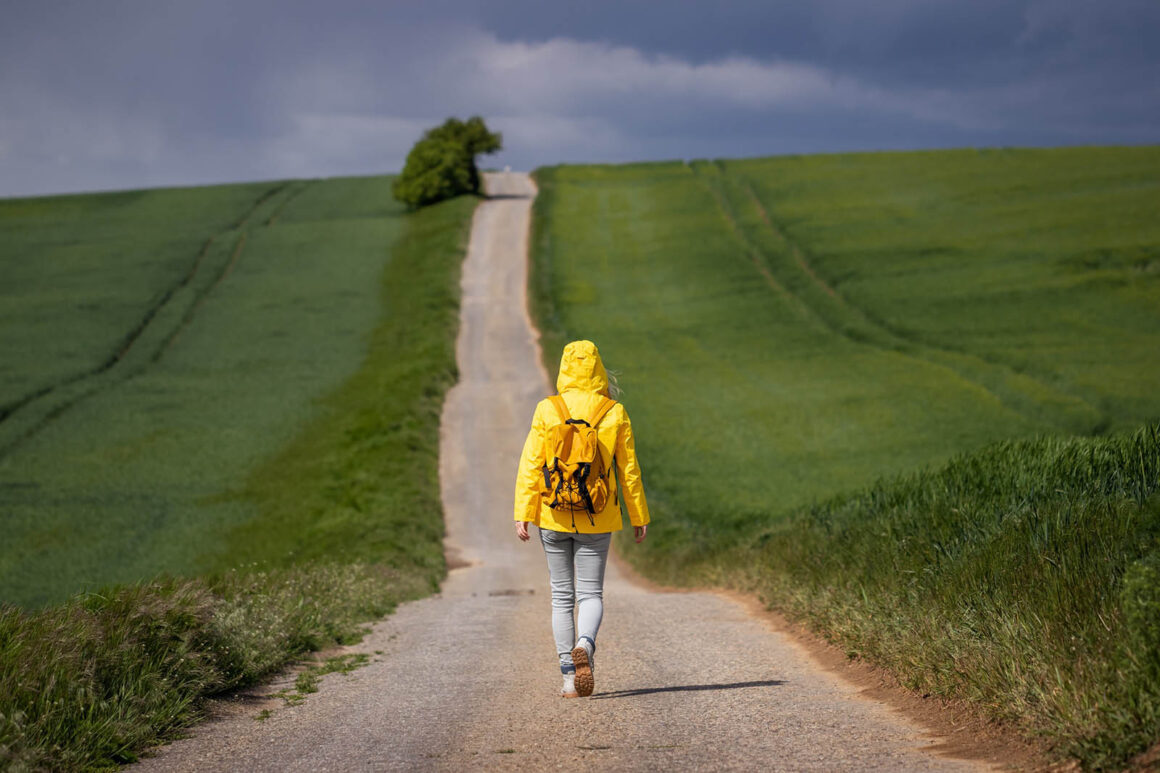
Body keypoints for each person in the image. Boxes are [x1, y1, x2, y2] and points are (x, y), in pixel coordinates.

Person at [513, 339, 650, 698]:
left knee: (561, 597)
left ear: (564, 370)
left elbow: (531, 464)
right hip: (598, 516)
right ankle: (585, 645)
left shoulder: (548, 409)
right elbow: (629, 471)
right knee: (590, 594)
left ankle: (568, 679)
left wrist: (523, 513)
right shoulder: (613, 412)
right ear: (599, 370)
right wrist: (638, 514)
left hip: (553, 515)